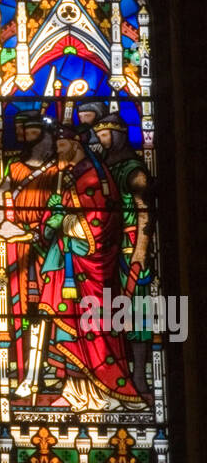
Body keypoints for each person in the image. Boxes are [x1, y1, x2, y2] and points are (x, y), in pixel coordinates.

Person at [34, 124, 143, 411]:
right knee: (68, 325)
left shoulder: (94, 176)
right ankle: (74, 391)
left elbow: (100, 224)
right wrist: (54, 215)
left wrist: (65, 220)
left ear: (75, 145)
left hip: (89, 266)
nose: (57, 153)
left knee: (95, 326)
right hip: (70, 263)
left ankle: (100, 391)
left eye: (61, 147)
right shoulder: (72, 175)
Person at [0, 109, 57, 393]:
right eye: (29, 136)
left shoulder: (59, 170)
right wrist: (3, 223)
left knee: (47, 308)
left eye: (37, 135)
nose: (33, 141)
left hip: (49, 244)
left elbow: (63, 203)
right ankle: (24, 370)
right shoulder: (15, 169)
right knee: (21, 308)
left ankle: (44, 367)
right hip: (18, 246)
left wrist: (37, 232)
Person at [93, 114, 154, 402]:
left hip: (131, 249)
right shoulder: (105, 167)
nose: (101, 141)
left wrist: (141, 250)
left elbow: (144, 211)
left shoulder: (133, 169)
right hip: (108, 248)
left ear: (117, 135)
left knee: (138, 311)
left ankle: (139, 375)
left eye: (105, 136)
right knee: (111, 311)